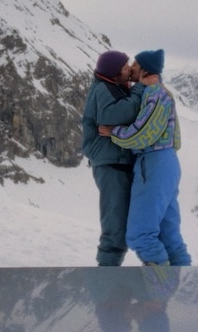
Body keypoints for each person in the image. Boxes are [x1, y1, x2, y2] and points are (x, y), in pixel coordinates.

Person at [100, 49, 191, 267]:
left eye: (135, 64)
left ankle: (158, 297)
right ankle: (177, 289)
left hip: (153, 164)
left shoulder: (155, 94)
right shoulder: (159, 91)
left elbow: (143, 134)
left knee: (141, 235)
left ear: (145, 70)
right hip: (164, 163)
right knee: (169, 238)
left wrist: (113, 132)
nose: (130, 67)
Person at [81, 51, 145, 266]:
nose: (129, 69)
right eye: (125, 66)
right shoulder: (103, 89)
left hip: (116, 162)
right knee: (115, 223)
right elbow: (115, 115)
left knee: (121, 221)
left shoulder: (113, 86)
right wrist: (140, 90)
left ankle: (111, 277)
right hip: (110, 164)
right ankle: (107, 279)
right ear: (115, 72)